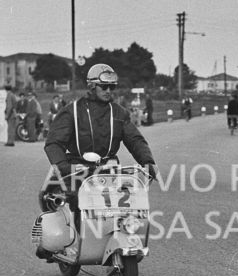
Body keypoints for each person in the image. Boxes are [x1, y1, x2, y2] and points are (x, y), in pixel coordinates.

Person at [42, 64, 157, 259]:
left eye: (112, 87)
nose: (109, 91)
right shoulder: (73, 111)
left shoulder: (119, 113)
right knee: (74, 201)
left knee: (124, 203)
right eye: (104, 87)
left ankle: (115, 238)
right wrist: (62, 165)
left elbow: (134, 139)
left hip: (108, 168)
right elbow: (54, 142)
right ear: (91, 86)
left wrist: (147, 161)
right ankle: (71, 242)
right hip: (77, 167)